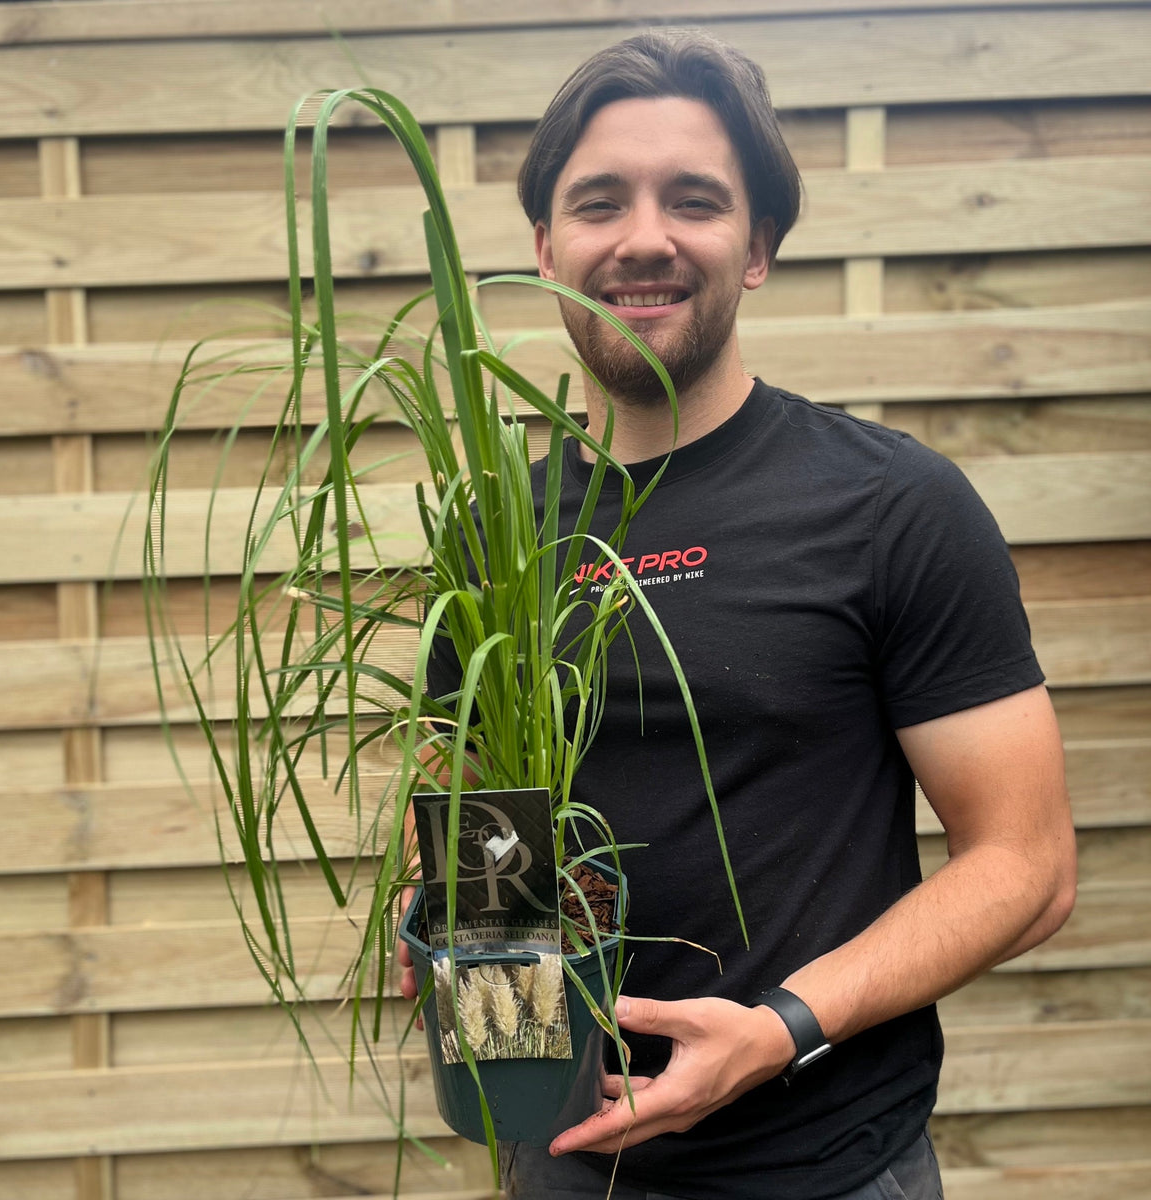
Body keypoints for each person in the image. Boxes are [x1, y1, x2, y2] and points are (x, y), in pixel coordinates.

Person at [402, 29, 1077, 1200]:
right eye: (600, 202)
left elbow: (1029, 863)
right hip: (560, 1160)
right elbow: (472, 807)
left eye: (694, 200)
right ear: (547, 248)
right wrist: (448, 911)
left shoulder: (890, 503)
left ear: (757, 246)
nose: (643, 237)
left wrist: (782, 1029)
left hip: (827, 1171)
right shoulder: (495, 534)